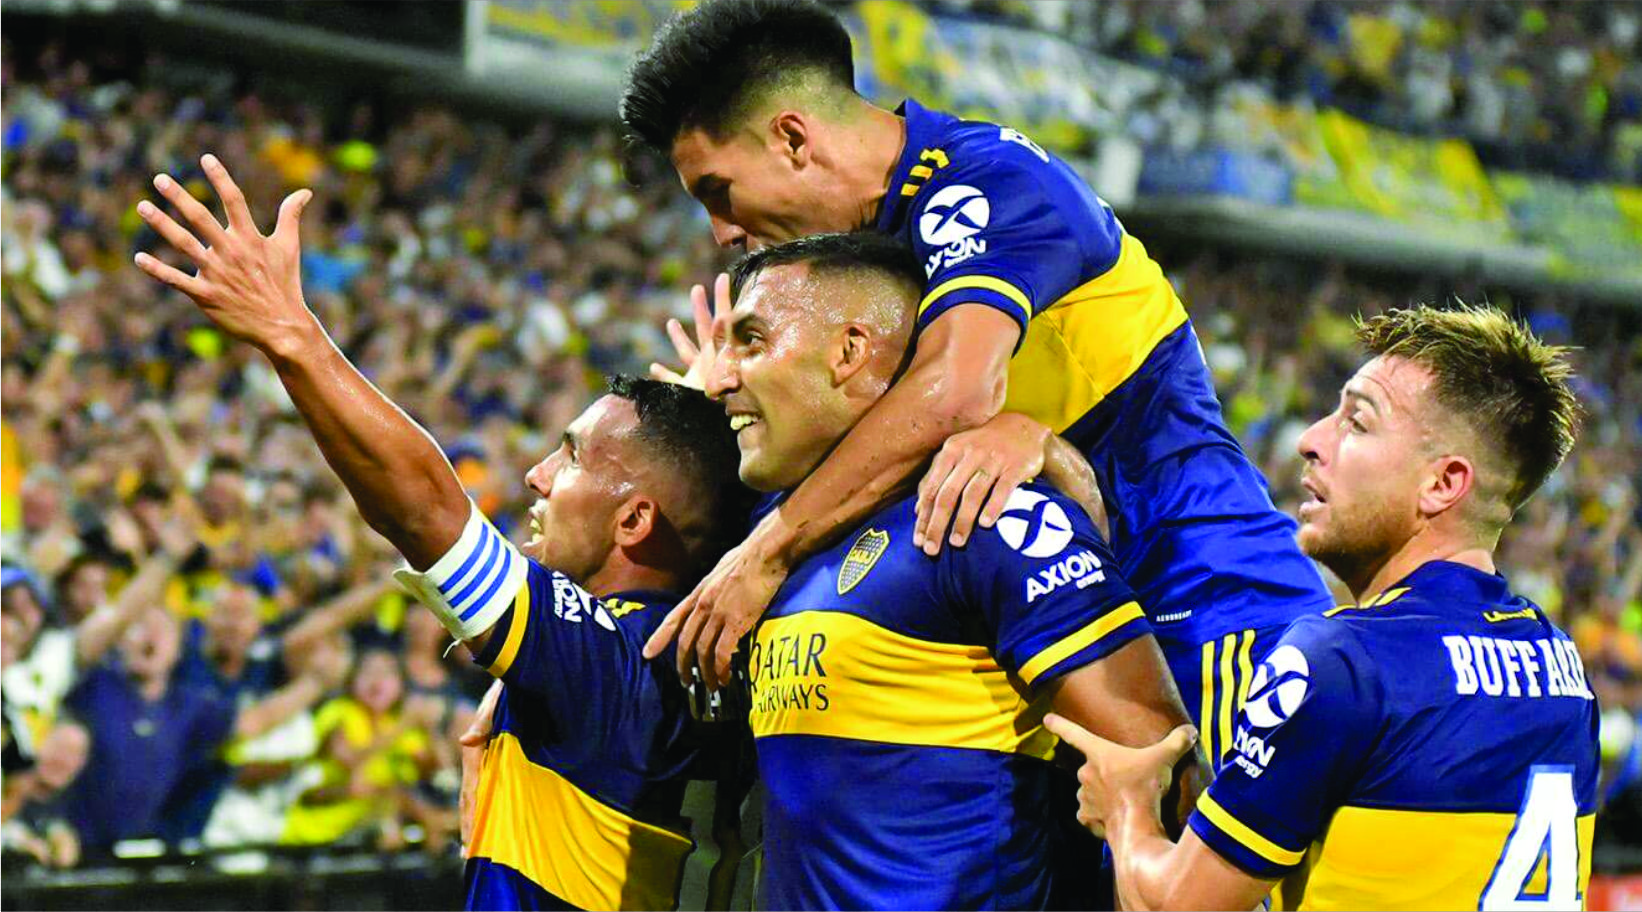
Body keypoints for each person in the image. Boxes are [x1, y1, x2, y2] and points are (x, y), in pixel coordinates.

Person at [621, 0, 1333, 758]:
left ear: (793, 139)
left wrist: (768, 549)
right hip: (1052, 634)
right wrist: (727, 398)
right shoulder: (858, 259)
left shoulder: (990, 182)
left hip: (1200, 603)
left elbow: (957, 395)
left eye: (719, 191)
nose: (722, 233)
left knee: (1214, 832)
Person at [133, 154, 751, 910]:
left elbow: (425, 509)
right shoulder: (729, 648)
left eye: (571, 457)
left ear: (633, 519)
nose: (537, 475)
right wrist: (716, 434)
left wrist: (290, 334)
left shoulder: (606, 661)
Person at [1046, 304, 1602, 910]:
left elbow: (1177, 904)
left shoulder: (1344, 660)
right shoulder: (1563, 670)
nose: (1311, 440)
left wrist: (1126, 809)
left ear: (1443, 484)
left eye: (1357, 423)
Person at [699, 231, 1193, 909]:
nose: (720, 378)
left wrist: (1050, 451)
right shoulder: (772, 540)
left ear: (848, 352)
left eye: (751, 342)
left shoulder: (981, 514)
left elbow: (1160, 762)